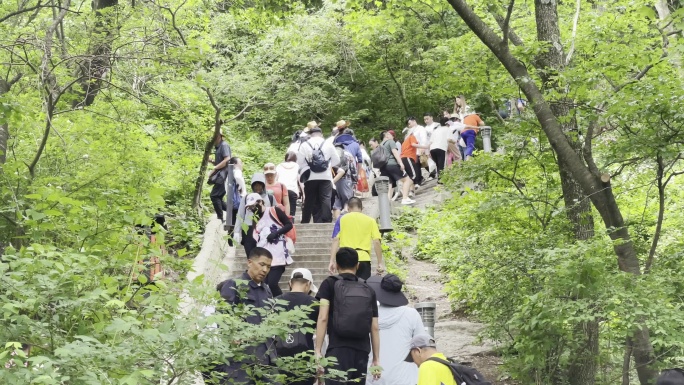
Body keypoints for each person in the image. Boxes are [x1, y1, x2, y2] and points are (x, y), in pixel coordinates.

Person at [315, 248, 381, 385]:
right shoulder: (368, 288)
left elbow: (323, 317)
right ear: (358, 265)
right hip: (362, 350)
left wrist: (317, 350)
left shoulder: (329, 283)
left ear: (337, 265)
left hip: (338, 348)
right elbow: (374, 327)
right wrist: (376, 359)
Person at [211, 247, 276, 385]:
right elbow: (223, 316)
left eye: (269, 267)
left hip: (266, 357)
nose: (265, 270)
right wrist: (232, 338)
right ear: (249, 262)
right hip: (240, 360)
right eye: (262, 264)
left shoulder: (267, 290)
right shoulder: (234, 284)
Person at [365, 274, 424, 385]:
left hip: (375, 377)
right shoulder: (411, 314)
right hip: (406, 379)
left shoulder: (370, 315)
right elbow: (421, 346)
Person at [275, 268, 320, 385]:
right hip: (305, 357)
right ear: (308, 284)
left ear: (290, 283)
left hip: (280, 356)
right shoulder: (315, 303)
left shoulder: (276, 301)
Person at [329, 197, 384, 279]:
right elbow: (376, 242)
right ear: (362, 208)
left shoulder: (341, 219)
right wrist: (379, 262)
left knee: (345, 287)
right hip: (363, 258)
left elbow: (335, 240)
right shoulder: (370, 220)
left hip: (345, 258)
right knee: (362, 288)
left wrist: (332, 261)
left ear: (348, 208)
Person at [251, 193, 293, 297]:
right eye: (250, 207)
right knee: (265, 284)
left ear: (260, 202)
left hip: (278, 254)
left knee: (273, 284)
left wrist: (276, 233)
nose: (253, 208)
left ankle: (283, 305)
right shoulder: (255, 218)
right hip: (264, 257)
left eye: (254, 205)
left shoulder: (274, 210)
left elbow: (289, 224)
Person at [297, 126, 340, 223]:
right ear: (321, 134)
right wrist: (327, 165)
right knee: (326, 198)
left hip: (310, 177)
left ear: (310, 134)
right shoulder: (328, 144)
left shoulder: (305, 144)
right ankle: (326, 219)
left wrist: (307, 167)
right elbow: (336, 160)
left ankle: (305, 220)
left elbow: (299, 161)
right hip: (325, 176)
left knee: (309, 199)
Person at [234, 173, 273, 256]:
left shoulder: (270, 198)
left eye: (259, 185)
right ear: (252, 186)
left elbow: (274, 214)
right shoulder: (246, 198)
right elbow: (240, 215)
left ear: (263, 185)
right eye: (255, 185)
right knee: (250, 253)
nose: (257, 188)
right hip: (249, 228)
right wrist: (236, 231)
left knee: (263, 254)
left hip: (265, 229)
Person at [400, 122, 429, 205]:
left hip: (404, 158)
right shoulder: (411, 137)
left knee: (409, 176)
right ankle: (405, 195)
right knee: (413, 176)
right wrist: (426, 147)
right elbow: (414, 145)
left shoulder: (404, 142)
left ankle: (410, 192)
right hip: (408, 157)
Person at [378, 130, 408, 201]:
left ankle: (387, 202)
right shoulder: (390, 142)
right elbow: (395, 153)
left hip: (383, 167)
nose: (392, 136)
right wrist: (401, 163)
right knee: (407, 180)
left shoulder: (380, 145)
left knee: (390, 184)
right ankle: (405, 198)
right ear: (386, 136)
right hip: (391, 164)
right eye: (389, 134)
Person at [209, 129, 232, 222]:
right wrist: (212, 162)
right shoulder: (218, 147)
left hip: (224, 175)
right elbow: (220, 162)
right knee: (217, 196)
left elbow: (227, 159)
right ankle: (233, 213)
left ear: (219, 135)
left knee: (214, 196)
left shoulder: (224, 145)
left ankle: (221, 218)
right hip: (222, 174)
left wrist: (214, 169)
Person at [332, 143, 356, 220]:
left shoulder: (333, 154)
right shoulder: (347, 154)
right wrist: (355, 180)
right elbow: (353, 168)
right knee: (348, 200)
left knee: (336, 202)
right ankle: (345, 213)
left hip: (335, 180)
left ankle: (337, 222)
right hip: (346, 179)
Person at [404, 117, 427, 187]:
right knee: (416, 165)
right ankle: (419, 179)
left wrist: (423, 147)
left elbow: (423, 138)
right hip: (411, 151)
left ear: (414, 121)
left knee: (419, 164)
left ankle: (418, 180)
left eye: (410, 123)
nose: (409, 125)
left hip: (419, 148)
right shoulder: (409, 131)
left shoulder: (420, 128)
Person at [277, 152, 300, 217]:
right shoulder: (297, 166)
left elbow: (275, 178)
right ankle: (291, 224)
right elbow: (300, 180)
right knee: (292, 212)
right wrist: (304, 193)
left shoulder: (279, 166)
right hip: (293, 190)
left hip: (281, 190)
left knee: (281, 209)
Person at [423, 113, 440, 179]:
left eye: (427, 119)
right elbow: (426, 139)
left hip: (438, 144)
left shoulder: (437, 125)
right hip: (430, 146)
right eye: (425, 120)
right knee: (433, 160)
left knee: (440, 160)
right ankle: (434, 173)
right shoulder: (425, 129)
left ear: (431, 117)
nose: (426, 121)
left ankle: (441, 173)